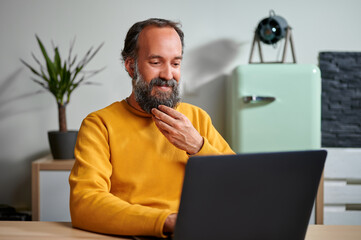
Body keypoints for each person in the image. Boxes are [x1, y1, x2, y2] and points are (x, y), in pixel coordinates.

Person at [69, 18, 234, 238]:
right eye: (156, 62)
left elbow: (239, 186)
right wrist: (166, 222)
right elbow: (84, 203)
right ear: (131, 66)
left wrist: (199, 146)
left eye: (175, 63)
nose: (168, 75)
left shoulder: (196, 118)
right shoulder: (99, 125)